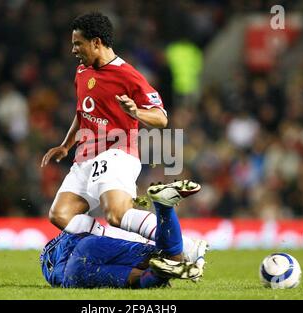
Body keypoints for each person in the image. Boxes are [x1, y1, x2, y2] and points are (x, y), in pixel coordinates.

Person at [40, 12, 204, 259]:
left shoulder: (128, 75)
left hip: (117, 153)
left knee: (116, 214)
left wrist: (135, 111)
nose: (73, 49)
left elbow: (161, 118)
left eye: (78, 43)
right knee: (60, 215)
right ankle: (133, 247)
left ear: (96, 42)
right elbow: (82, 111)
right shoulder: (82, 71)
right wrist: (66, 145)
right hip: (85, 156)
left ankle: (186, 246)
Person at [40, 181, 208, 288]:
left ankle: (162, 274)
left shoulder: (53, 250)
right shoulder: (108, 229)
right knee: (166, 258)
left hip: (73, 275)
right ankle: (164, 207)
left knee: (140, 278)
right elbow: (87, 229)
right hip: (90, 248)